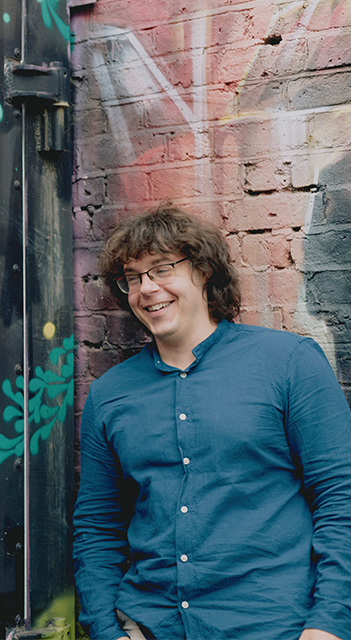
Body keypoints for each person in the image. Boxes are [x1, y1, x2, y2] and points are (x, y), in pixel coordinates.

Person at [73, 203, 351, 640]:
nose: (147, 288)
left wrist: (330, 624)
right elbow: (97, 528)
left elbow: (341, 499)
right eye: (133, 277)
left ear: (203, 270)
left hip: (272, 626)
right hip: (150, 625)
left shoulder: (288, 363)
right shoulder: (110, 394)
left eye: (162, 269)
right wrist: (106, 631)